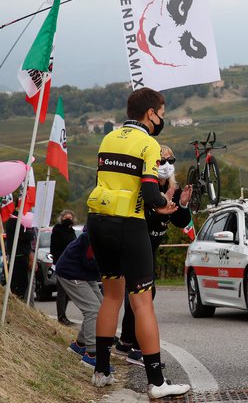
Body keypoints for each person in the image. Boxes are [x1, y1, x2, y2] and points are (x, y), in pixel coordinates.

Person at [86, 87, 190, 398]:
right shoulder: (148, 143)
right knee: (142, 300)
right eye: (163, 112)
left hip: (97, 220)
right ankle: (157, 382)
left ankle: (101, 371)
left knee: (111, 296)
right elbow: (148, 191)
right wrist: (163, 205)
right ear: (150, 114)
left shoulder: (109, 138)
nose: (163, 118)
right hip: (128, 224)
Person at [114, 145, 192, 366]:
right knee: (145, 293)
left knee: (139, 295)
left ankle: (126, 343)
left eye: (170, 160)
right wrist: (158, 207)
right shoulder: (144, 188)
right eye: (161, 161)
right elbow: (139, 216)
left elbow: (181, 221)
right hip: (135, 246)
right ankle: (137, 348)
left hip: (151, 248)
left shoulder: (172, 189)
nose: (166, 166)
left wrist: (182, 203)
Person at [56, 230, 104, 368]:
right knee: (93, 310)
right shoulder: (95, 236)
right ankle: (92, 354)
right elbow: (89, 261)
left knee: (102, 307)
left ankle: (79, 345)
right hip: (70, 272)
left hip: (85, 273)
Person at [50, 209, 77, 326]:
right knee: (61, 291)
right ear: (61, 219)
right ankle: (61, 317)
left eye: (70, 218)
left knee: (67, 292)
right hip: (61, 263)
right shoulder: (57, 230)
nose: (68, 220)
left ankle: (64, 315)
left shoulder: (72, 231)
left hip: (71, 264)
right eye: (65, 217)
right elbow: (54, 248)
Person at [4, 210, 35, 301]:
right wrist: (30, 231)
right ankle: (19, 301)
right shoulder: (15, 220)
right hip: (18, 255)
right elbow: (28, 237)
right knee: (20, 284)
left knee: (23, 283)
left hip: (20, 255)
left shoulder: (17, 219)